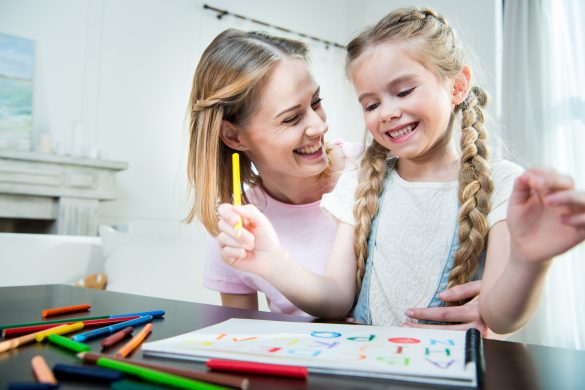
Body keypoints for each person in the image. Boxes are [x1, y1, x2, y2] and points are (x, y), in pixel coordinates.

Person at [216, 7, 585, 334]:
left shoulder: (502, 183)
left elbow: (501, 318)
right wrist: (275, 262)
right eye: (372, 103)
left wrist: (530, 260)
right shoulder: (359, 181)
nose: (387, 112)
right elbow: (336, 299)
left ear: (457, 86)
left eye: (404, 91)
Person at [186, 28, 486, 329]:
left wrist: (490, 310)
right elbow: (244, 339)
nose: (318, 126)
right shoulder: (235, 230)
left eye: (316, 102)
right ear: (234, 136)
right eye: (291, 118)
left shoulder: (381, 171)